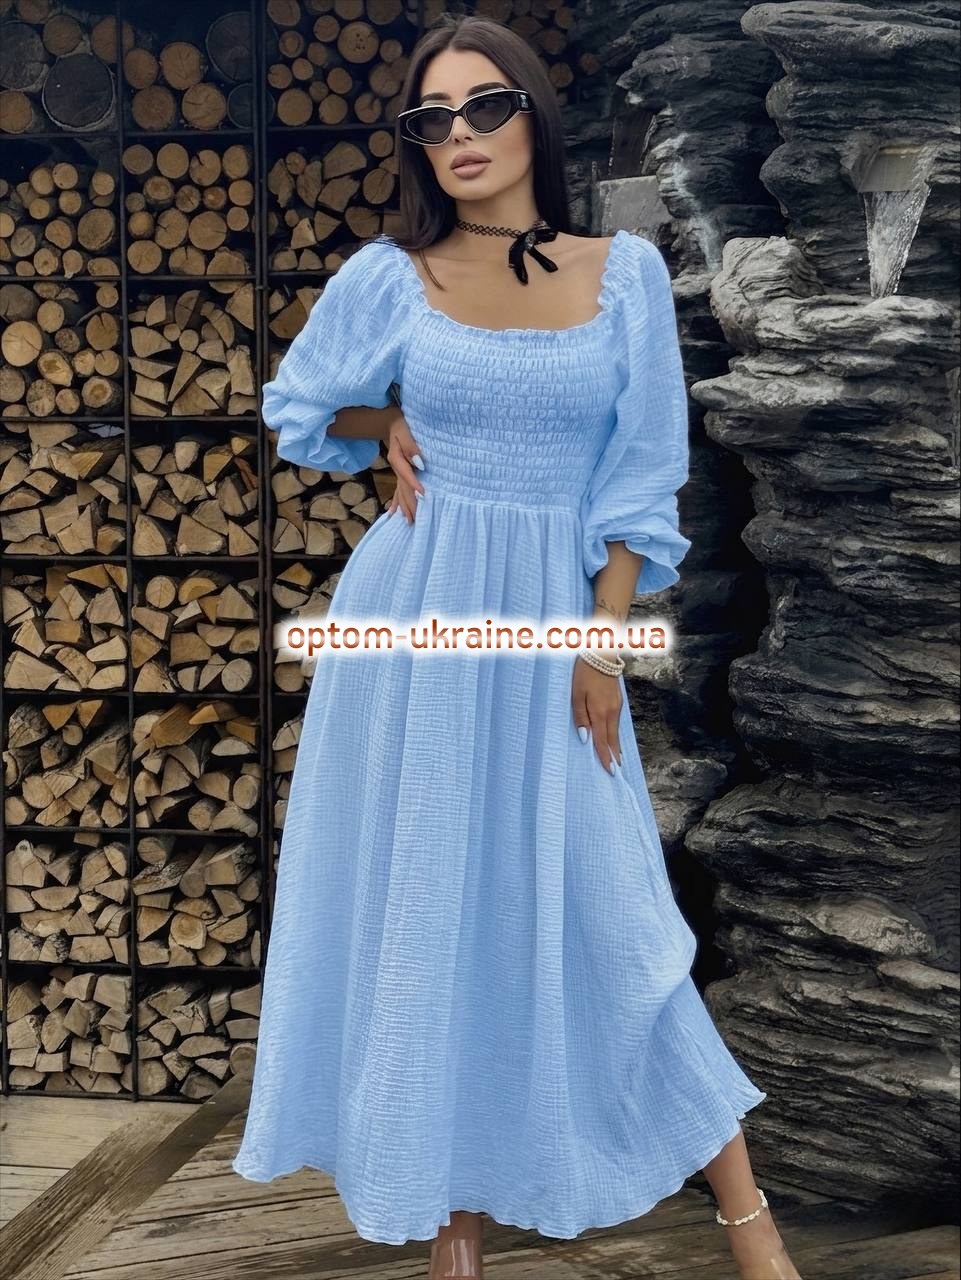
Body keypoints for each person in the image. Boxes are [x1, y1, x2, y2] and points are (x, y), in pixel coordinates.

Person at [231, 14, 803, 1280]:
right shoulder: (392, 275)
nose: (459, 137)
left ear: (533, 114)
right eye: (430, 119)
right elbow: (293, 406)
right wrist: (380, 421)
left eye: (483, 106)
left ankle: (748, 1220)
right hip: (412, 623)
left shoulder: (623, 274)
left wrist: (600, 646)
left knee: (615, 907)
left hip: (550, 621)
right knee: (429, 898)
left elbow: (641, 476)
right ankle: (453, 1232)